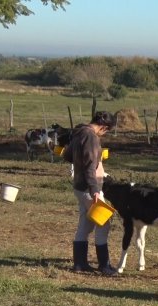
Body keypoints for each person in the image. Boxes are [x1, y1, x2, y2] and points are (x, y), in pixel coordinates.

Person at [63, 111, 117, 275]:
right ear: (103, 127)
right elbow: (89, 166)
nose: (104, 134)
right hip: (89, 188)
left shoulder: (79, 132)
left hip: (79, 186)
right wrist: (95, 190)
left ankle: (80, 264)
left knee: (85, 224)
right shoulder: (91, 137)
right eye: (106, 131)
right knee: (104, 222)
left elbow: (67, 155)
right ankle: (104, 265)